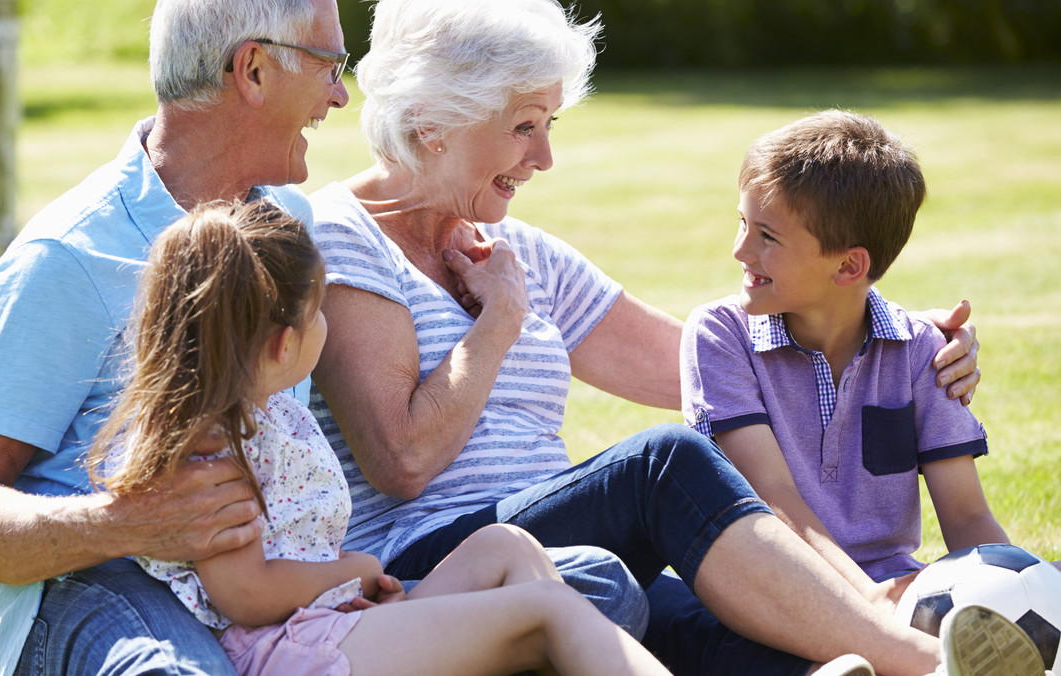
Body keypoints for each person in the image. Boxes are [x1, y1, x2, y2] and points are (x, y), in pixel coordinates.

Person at [306, 1, 983, 674]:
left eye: (548, 126)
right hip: (430, 567)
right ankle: (927, 662)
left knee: (732, 625)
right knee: (664, 465)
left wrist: (892, 339)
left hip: (567, 549)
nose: (544, 157)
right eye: (523, 127)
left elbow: (703, 367)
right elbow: (403, 459)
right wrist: (500, 322)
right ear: (434, 124)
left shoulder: (516, 249)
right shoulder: (344, 239)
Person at [0, 0, 353, 673]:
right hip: (101, 584)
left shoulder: (287, 223)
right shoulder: (67, 258)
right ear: (254, 69)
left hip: (255, 585)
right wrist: (128, 523)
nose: (341, 94)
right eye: (330, 65)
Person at [91, 199, 671, 676]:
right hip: (284, 650)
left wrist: (352, 582)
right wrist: (356, 570)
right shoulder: (210, 451)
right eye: (319, 313)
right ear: (280, 345)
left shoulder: (263, 420)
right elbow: (244, 594)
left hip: (327, 621)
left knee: (507, 546)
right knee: (548, 610)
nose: (328, 325)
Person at [675, 110, 1053, 675]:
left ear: (849, 265)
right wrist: (866, 605)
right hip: (770, 588)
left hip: (897, 594)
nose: (740, 250)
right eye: (743, 224)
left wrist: (1036, 597)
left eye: (767, 236)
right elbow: (773, 497)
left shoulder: (924, 350)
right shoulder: (719, 335)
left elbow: (968, 519)